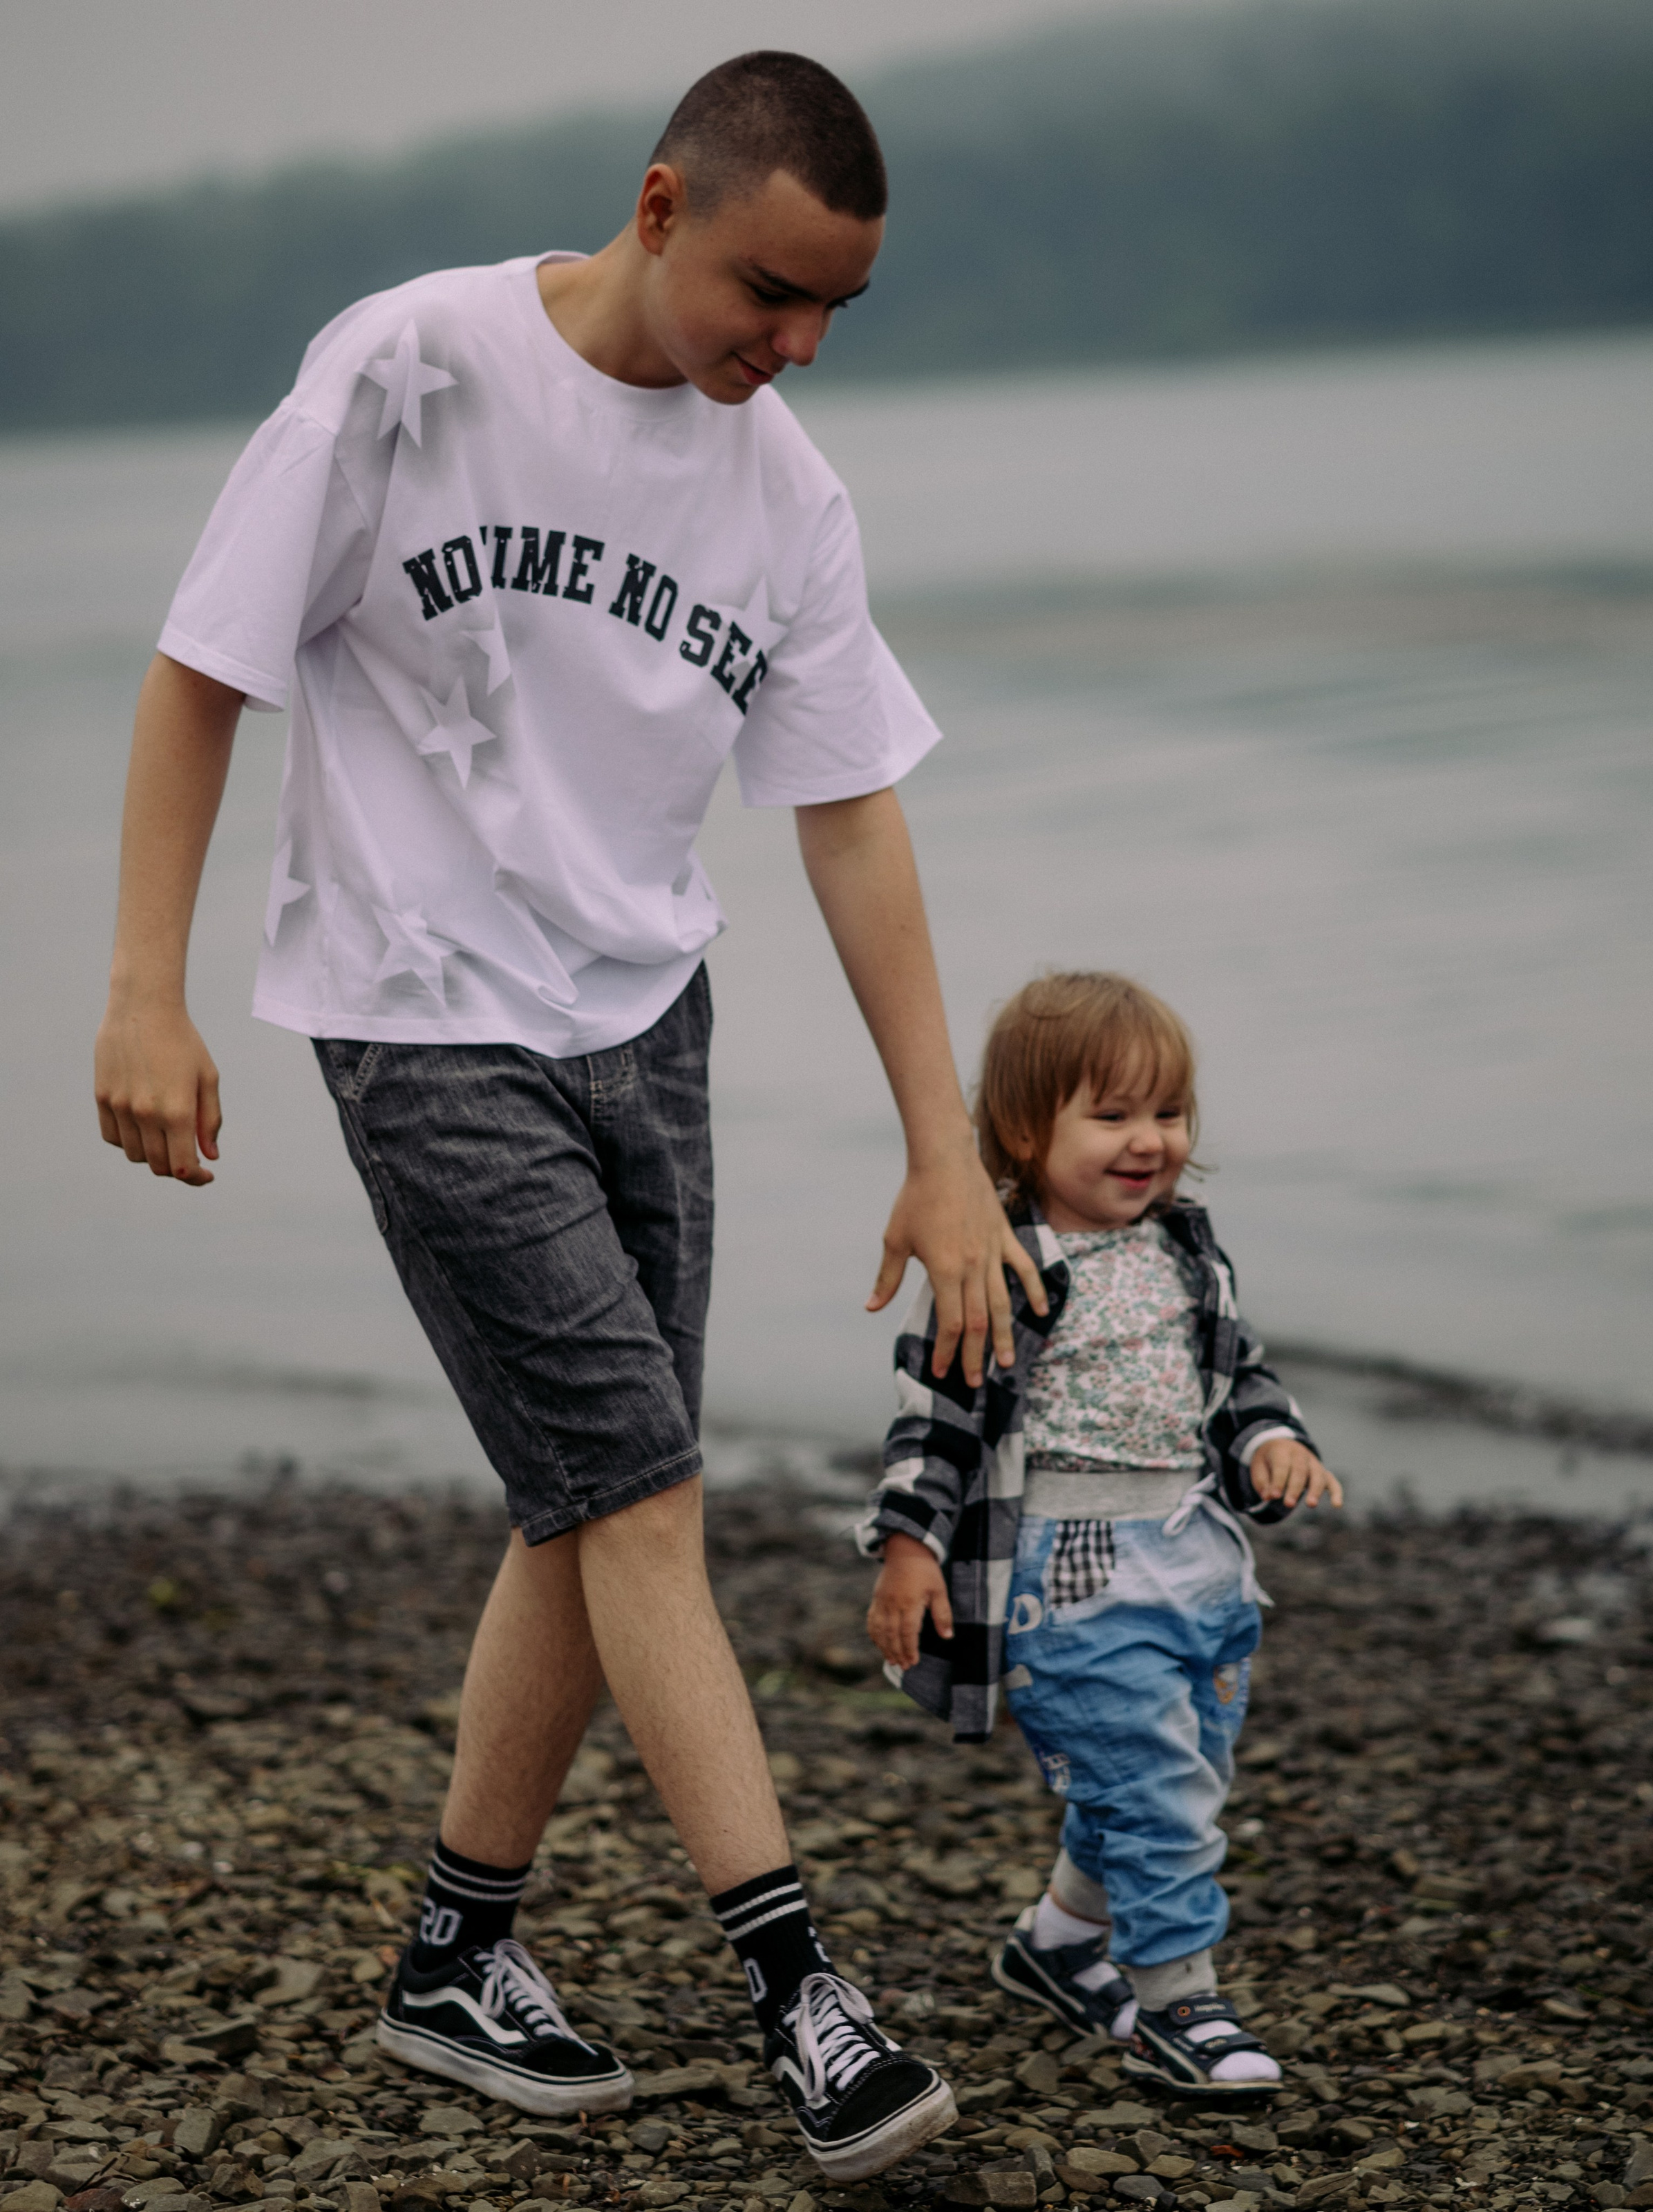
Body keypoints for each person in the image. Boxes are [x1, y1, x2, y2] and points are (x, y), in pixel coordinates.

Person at [92, 50, 1049, 2182]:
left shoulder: (786, 491)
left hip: (648, 1017)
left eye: (833, 316)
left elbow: (853, 823)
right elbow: (203, 668)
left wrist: (943, 1145)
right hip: (419, 1015)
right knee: (642, 1498)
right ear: (658, 203)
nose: (792, 348)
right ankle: (804, 1994)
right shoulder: (409, 368)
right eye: (769, 293)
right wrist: (147, 988)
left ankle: (456, 1955)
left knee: (585, 1490)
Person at [860, 971, 1343, 2102]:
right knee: (1155, 1790)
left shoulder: (1187, 1251)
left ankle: (1061, 1943)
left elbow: (1238, 1380)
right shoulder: (1005, 1263)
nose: (1149, 1142)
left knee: (1178, 1772)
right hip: (1070, 1582)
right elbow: (938, 1420)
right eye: (1114, 1116)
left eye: (1167, 1114)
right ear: (1028, 1133)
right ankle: (1182, 2004)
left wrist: (1273, 1443)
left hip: (1203, 1563)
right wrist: (908, 1548)